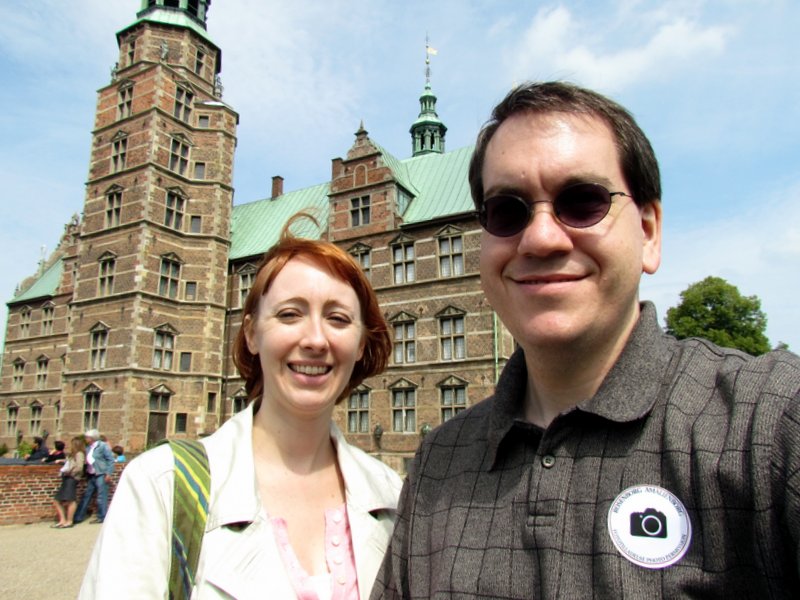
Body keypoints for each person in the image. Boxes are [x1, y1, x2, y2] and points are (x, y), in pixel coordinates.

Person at [371, 81, 800, 599]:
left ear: (648, 231)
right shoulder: (437, 462)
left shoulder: (770, 425)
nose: (542, 237)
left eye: (582, 202)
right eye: (507, 211)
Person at [80, 216, 403, 598]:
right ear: (250, 333)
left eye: (337, 318)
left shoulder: (392, 495)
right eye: (289, 314)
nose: (316, 339)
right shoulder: (160, 485)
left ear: (362, 343)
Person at [73, 428, 115, 525]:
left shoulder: (102, 446)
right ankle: (79, 516)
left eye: (87, 437)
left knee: (101, 496)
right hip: (91, 474)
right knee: (86, 495)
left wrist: (108, 473)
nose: (86, 439)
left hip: (101, 473)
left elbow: (110, 460)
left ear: (92, 438)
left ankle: (102, 516)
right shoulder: (88, 447)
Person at [51, 436, 86, 528]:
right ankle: (62, 520)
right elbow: (69, 462)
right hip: (67, 478)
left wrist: (70, 472)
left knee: (71, 500)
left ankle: (69, 521)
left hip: (72, 478)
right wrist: (61, 461)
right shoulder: (73, 454)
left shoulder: (79, 454)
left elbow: (79, 467)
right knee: (57, 500)